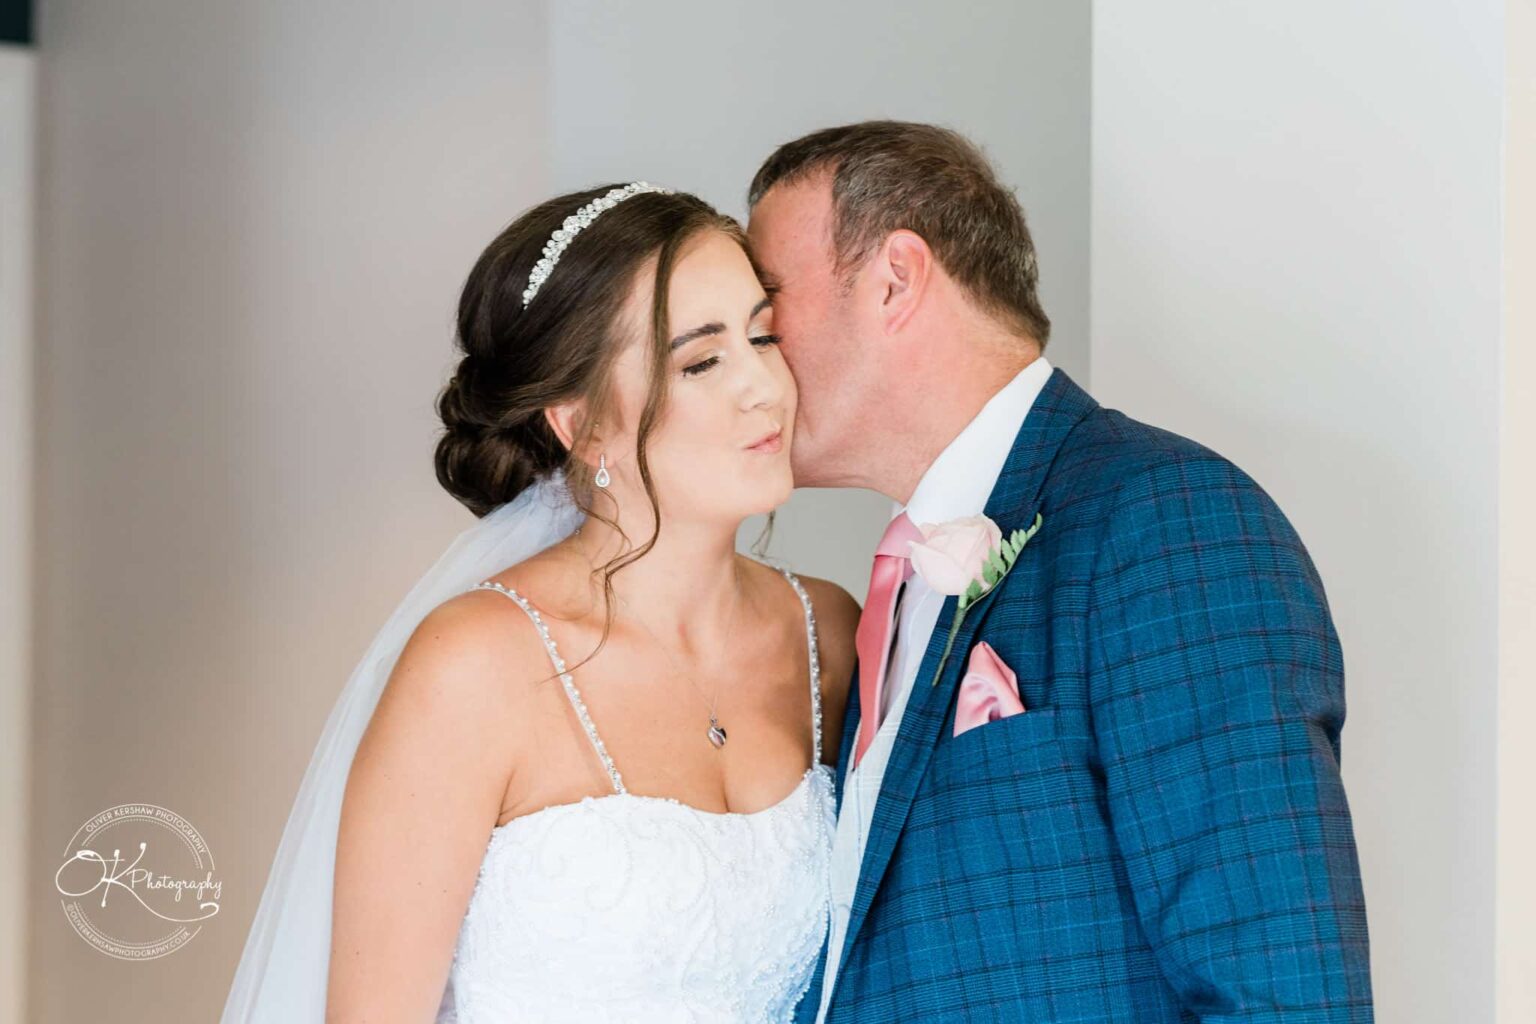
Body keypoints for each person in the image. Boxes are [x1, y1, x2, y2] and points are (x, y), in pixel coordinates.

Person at [745, 121, 1375, 1023]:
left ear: (895, 279)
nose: (752, 356)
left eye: (768, 307)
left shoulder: (1167, 524)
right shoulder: (885, 590)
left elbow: (1284, 992)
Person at [221, 183, 862, 1023]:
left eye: (763, 336)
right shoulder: (475, 668)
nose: (766, 387)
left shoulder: (832, 634)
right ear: (580, 424)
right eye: (703, 361)